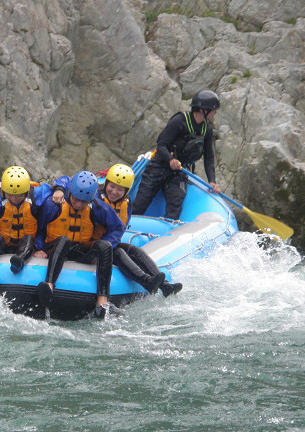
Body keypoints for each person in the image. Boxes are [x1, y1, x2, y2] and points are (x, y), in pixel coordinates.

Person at [34, 171, 125, 319]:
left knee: (105, 246)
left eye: (84, 202)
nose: (79, 205)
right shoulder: (53, 204)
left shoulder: (96, 206)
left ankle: (102, 300)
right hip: (54, 248)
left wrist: (100, 253)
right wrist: (37, 248)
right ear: (70, 193)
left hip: (79, 250)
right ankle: (49, 285)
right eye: (76, 200)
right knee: (64, 240)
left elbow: (118, 228)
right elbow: (39, 229)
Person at [132, 89, 221, 220]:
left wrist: (212, 181)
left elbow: (209, 157)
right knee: (141, 203)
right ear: (203, 110)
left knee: (175, 207)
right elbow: (161, 145)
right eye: (213, 110)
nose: (215, 113)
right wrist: (170, 159)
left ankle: (169, 228)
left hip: (179, 172)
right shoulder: (179, 121)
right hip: (159, 166)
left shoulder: (207, 129)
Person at [98, 164, 183, 297]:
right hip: (91, 245)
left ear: (126, 191)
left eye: (120, 189)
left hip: (107, 242)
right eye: (112, 186)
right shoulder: (94, 197)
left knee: (136, 251)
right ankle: (146, 281)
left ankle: (165, 286)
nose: (114, 192)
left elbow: (120, 229)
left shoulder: (125, 203)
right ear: (106, 183)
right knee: (118, 252)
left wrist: (110, 243)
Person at [0, 166, 52, 286]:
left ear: (26, 191)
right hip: (3, 245)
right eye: (9, 194)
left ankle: (18, 261)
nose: (14, 198)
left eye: (18, 195)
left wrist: (59, 190)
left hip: (26, 246)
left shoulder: (36, 195)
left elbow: (55, 187)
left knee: (29, 238)